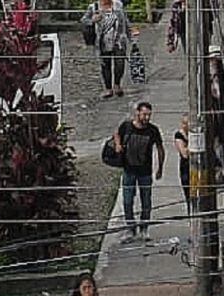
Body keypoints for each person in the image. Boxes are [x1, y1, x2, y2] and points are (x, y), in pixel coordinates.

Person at [113, 102, 165, 242]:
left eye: (149, 115)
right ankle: (130, 228)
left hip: (145, 172)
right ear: (137, 113)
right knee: (128, 201)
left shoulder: (153, 130)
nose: (147, 118)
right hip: (129, 170)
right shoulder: (127, 126)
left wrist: (160, 167)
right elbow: (117, 133)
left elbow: (160, 148)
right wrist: (118, 145)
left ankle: (144, 228)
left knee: (146, 201)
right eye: (144, 114)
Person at [82, 0, 132, 99]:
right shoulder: (93, 7)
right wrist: (93, 20)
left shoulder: (118, 4)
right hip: (102, 42)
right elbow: (84, 20)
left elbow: (125, 20)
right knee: (105, 65)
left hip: (118, 40)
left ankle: (117, 85)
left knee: (120, 63)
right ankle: (108, 88)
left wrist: (130, 34)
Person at [174, 114, 191, 214]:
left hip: (199, 167)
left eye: (187, 123)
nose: (185, 126)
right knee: (188, 195)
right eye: (183, 123)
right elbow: (184, 154)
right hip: (186, 168)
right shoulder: (179, 135)